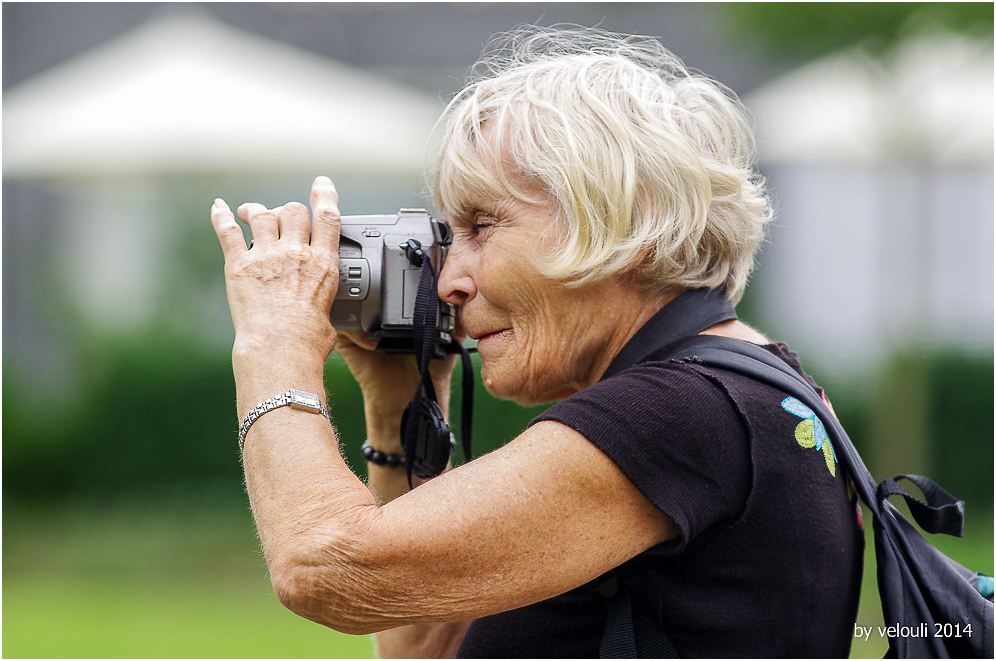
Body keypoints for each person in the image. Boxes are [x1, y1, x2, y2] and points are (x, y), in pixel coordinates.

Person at [209, 27, 862, 658]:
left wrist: (273, 343)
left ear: (622, 218)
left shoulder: (681, 411)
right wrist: (399, 408)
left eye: (482, 225)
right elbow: (428, 645)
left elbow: (324, 563)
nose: (451, 279)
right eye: (448, 234)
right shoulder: (750, 391)